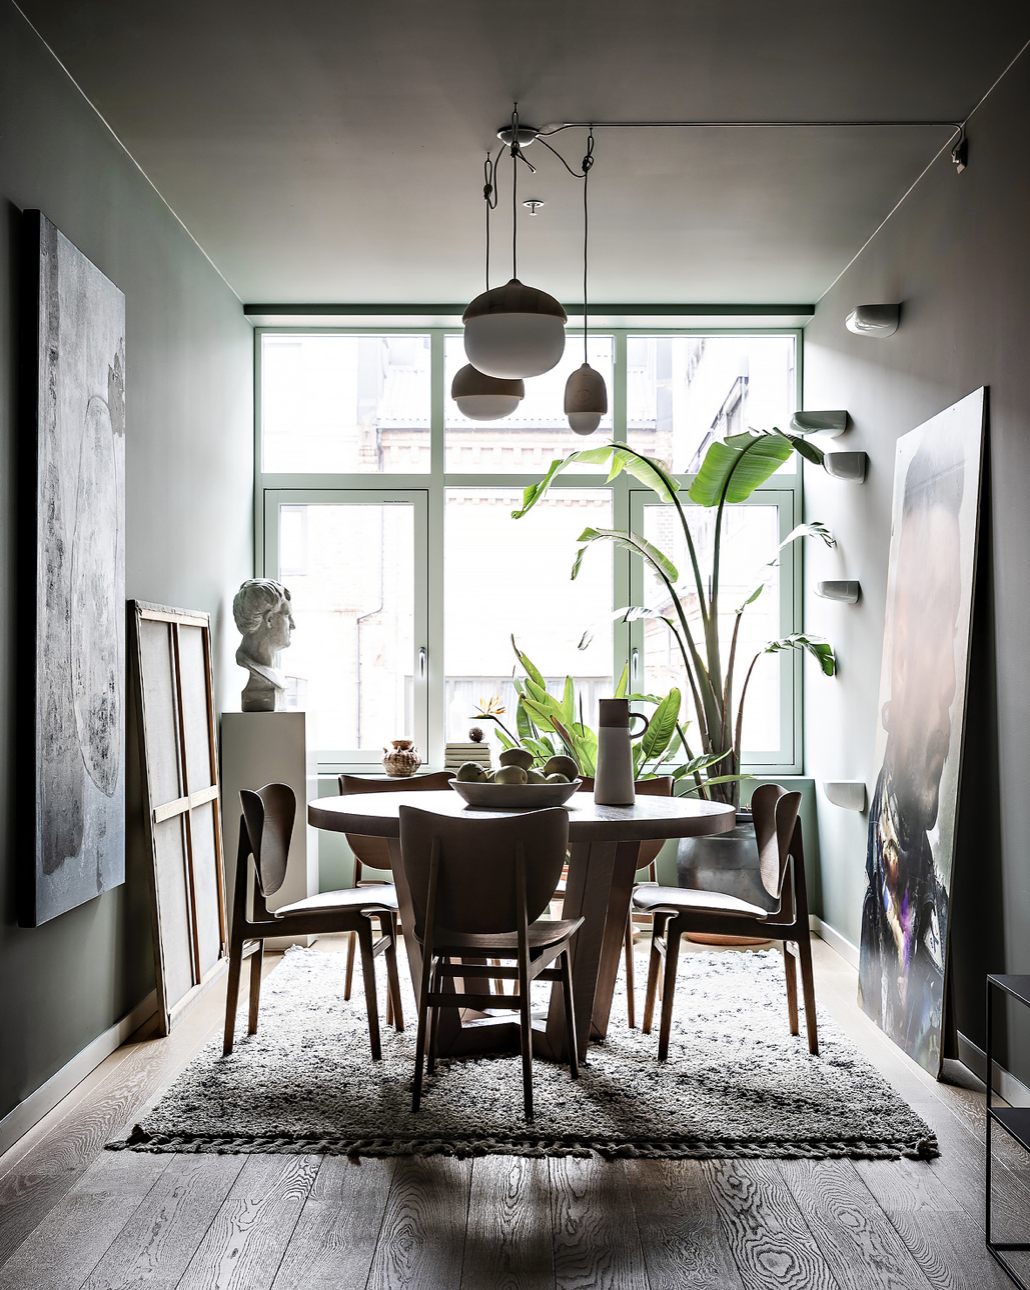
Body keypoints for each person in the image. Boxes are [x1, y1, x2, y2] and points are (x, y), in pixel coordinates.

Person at [859, 430, 965, 1072]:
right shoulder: (886, 852)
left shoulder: (934, 898)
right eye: (916, 612)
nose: (937, 664)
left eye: (946, 615)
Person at [233, 579, 295, 712]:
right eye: (287, 616)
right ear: (269, 619)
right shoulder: (252, 665)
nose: (293, 625)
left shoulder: (276, 674)